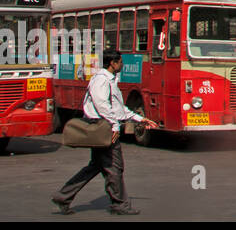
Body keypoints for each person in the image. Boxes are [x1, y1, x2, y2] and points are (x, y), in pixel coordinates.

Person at [52, 50, 160, 215]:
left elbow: (117, 107)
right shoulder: (101, 80)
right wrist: (115, 126)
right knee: (114, 166)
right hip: (103, 127)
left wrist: (139, 119)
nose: (122, 65)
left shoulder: (109, 80)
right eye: (120, 62)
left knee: (97, 166)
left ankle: (63, 196)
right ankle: (119, 204)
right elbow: (103, 105)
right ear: (113, 63)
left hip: (105, 125)